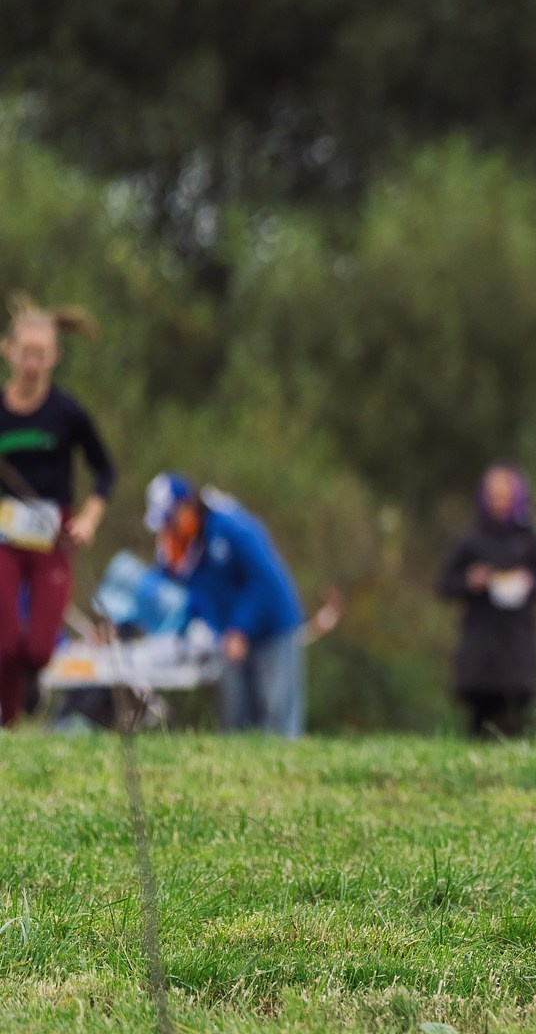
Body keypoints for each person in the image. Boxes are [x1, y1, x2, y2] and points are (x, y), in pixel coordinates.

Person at [0, 299, 114, 727]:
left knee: (40, 649)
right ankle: (7, 727)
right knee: (4, 644)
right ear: (8, 351)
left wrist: (88, 519)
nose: (32, 363)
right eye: (25, 352)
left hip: (53, 536)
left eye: (41, 354)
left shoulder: (67, 412)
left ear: (55, 357)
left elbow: (105, 470)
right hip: (3, 537)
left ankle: (33, 677)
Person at [146, 474, 309, 737]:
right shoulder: (177, 548)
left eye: (171, 520)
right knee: (236, 718)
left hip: (271, 628)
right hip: (227, 635)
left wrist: (240, 628)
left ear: (187, 507)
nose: (168, 529)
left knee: (276, 713)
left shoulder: (232, 527)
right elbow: (171, 592)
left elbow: (264, 581)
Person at [437, 465, 536, 738]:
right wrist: (471, 581)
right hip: (480, 641)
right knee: (479, 718)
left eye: (505, 496)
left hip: (518, 641)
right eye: (494, 496)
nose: (499, 502)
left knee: (516, 714)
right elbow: (445, 584)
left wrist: (529, 581)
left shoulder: (531, 539)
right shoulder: (470, 540)